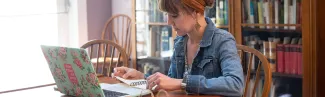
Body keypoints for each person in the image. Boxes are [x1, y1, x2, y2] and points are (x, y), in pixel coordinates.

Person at [113, 0, 244, 96]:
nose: (168, 22)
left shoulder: (223, 40)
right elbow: (171, 81)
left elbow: (235, 84)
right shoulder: (180, 42)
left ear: (195, 12)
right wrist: (141, 77)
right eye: (167, 15)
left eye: (174, 15)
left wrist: (183, 83)